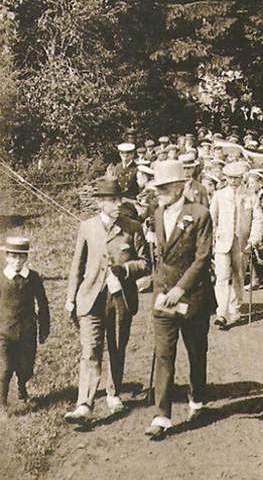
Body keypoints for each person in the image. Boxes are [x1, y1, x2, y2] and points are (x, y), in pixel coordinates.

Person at [65, 178, 150, 424]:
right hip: (91, 298)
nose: (117, 204)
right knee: (90, 350)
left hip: (119, 298)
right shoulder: (87, 227)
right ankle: (84, 404)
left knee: (116, 347)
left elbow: (146, 263)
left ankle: (113, 394)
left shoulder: (133, 227)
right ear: (101, 202)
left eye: (119, 199)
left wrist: (125, 269)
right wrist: (71, 297)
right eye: (111, 200)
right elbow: (76, 266)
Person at [144, 160, 215, 439]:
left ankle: (197, 399)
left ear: (178, 187)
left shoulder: (200, 214)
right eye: (156, 189)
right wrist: (161, 288)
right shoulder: (158, 214)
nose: (158, 193)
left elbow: (202, 258)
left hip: (192, 296)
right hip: (163, 296)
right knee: (164, 355)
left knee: (196, 352)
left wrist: (180, 289)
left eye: (162, 188)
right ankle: (162, 415)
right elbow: (159, 256)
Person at [0, 237, 50, 420]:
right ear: (6, 257)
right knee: (4, 369)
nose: (17, 261)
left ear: (26, 258)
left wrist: (44, 327)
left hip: (27, 330)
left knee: (25, 366)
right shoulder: (2, 279)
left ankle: (22, 389)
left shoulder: (33, 278)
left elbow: (43, 304)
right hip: (4, 331)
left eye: (21, 257)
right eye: (13, 257)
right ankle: (2, 405)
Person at [210, 162, 263, 329]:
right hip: (223, 241)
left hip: (242, 243)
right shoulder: (219, 195)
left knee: (238, 277)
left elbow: (257, 218)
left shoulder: (250, 196)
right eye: (230, 178)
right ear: (225, 178)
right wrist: (210, 241)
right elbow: (212, 220)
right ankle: (222, 312)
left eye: (237, 178)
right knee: (222, 277)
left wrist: (254, 237)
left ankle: (235, 310)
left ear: (242, 178)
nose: (234, 181)